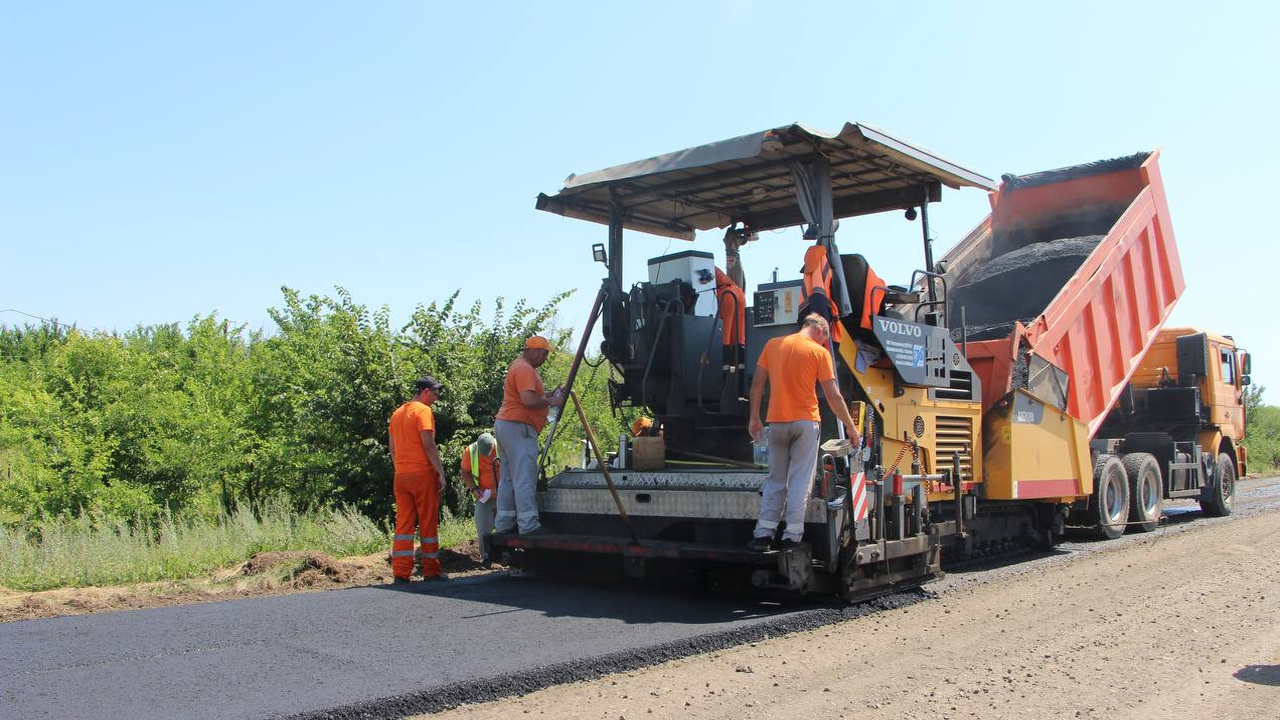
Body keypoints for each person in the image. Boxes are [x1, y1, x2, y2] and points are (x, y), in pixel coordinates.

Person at [748, 315, 860, 550]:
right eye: (825, 339)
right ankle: (792, 535)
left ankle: (763, 534)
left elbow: (757, 383)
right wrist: (850, 426)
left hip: (776, 422)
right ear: (820, 330)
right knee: (800, 479)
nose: (824, 344)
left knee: (775, 478)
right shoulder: (819, 353)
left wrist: (754, 417)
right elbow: (833, 395)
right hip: (806, 423)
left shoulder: (773, 345)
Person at [494, 336, 565, 535]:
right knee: (524, 477)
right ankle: (529, 526)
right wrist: (553, 402)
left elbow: (530, 395)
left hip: (506, 424)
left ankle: (504, 524)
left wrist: (551, 393)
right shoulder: (525, 369)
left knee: (508, 478)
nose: (545, 358)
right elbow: (528, 400)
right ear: (533, 351)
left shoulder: (517, 366)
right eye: (544, 354)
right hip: (519, 427)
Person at [388, 375, 448, 582]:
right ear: (425, 392)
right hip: (422, 474)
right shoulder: (423, 411)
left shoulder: (397, 414)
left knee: (403, 525)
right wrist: (440, 472)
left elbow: (392, 448)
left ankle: (401, 572)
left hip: (401, 476)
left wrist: (400, 469)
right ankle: (431, 570)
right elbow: (428, 444)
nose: (436, 398)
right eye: (435, 393)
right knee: (427, 522)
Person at [460, 431, 500, 564]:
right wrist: (474, 489)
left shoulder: (502, 447)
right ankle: (487, 557)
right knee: (483, 526)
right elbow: (465, 473)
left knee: (508, 526)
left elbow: (513, 472)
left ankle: (509, 555)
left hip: (504, 496)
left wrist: (498, 491)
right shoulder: (470, 452)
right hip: (484, 498)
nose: (487, 456)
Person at [715, 267, 747, 405]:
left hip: (725, 293)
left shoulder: (710, 270)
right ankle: (739, 384)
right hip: (737, 293)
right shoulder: (737, 289)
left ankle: (725, 380)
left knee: (725, 333)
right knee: (739, 334)